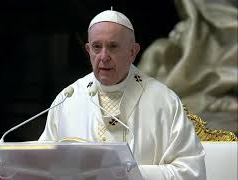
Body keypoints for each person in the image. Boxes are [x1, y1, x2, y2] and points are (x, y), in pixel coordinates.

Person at [39, 9, 206, 180]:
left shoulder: (163, 101)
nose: (104, 56)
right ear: (88, 50)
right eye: (97, 47)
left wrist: (129, 174)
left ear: (133, 52)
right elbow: (42, 166)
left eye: (113, 47)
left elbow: (192, 172)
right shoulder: (68, 98)